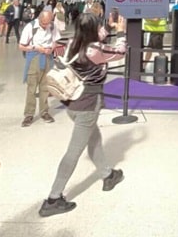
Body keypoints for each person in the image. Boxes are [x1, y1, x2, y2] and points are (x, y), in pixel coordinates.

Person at [39, 14, 125, 218]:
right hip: (88, 104)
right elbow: (120, 52)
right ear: (93, 30)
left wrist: (109, 27)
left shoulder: (71, 44)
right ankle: (53, 198)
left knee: (94, 138)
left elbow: (98, 37)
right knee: (74, 151)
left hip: (72, 102)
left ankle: (108, 174)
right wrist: (121, 31)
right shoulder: (95, 50)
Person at [19, 11, 62, 127]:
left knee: (45, 87)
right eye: (43, 23)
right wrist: (36, 48)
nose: (45, 26)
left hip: (48, 58)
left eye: (47, 23)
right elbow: (21, 46)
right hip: (34, 58)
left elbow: (55, 41)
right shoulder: (30, 27)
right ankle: (29, 114)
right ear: (39, 19)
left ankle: (44, 112)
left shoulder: (52, 26)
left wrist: (51, 49)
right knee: (31, 88)